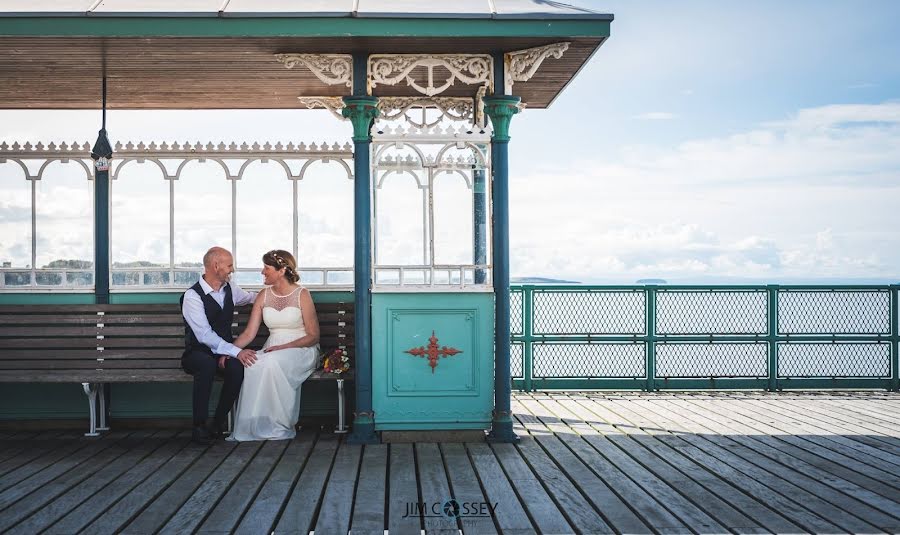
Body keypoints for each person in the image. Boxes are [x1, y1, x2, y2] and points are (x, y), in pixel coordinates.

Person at [228, 249, 320, 441]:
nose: (262, 272)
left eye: (266, 268)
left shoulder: (302, 294)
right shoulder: (264, 295)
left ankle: (279, 424)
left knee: (271, 362)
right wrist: (231, 352)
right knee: (254, 362)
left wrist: (283, 348)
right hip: (273, 348)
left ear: (282, 270)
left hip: (301, 348)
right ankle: (255, 423)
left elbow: (313, 336)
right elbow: (249, 333)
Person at [181, 246, 257, 445]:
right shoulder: (192, 296)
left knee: (236, 367)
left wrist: (278, 293)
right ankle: (199, 426)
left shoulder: (230, 288)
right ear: (216, 266)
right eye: (229, 265)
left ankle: (218, 423)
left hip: (222, 353)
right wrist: (235, 350)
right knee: (206, 365)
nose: (232, 269)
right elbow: (204, 335)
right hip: (196, 353)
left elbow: (250, 298)